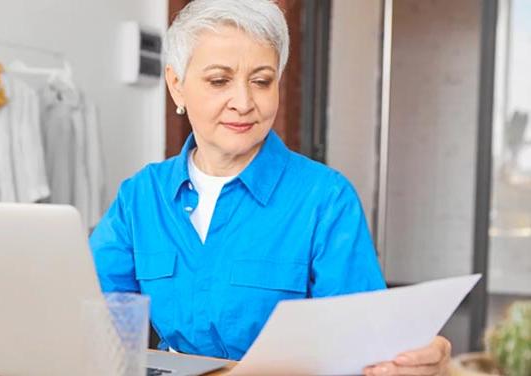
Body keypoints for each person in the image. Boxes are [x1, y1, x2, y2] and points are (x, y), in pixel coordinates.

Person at [89, 0, 451, 374]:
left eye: (261, 81)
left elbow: (365, 348)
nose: (244, 103)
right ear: (177, 86)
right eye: (219, 81)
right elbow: (93, 319)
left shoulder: (325, 199)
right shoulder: (140, 196)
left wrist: (415, 360)